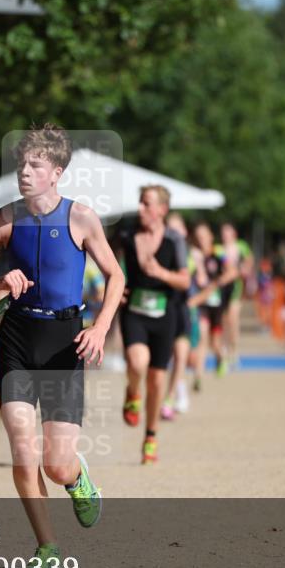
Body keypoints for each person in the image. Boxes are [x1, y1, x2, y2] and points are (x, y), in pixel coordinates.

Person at [0, 123, 123, 568]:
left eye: (35, 165)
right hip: (16, 338)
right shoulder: (3, 220)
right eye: (21, 164)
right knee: (22, 450)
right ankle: (47, 547)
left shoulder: (81, 218)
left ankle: (77, 477)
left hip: (64, 343)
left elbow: (116, 276)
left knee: (55, 465)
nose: (25, 172)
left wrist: (100, 327)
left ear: (57, 173)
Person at [119, 186, 190, 464]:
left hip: (164, 313)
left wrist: (161, 273)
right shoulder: (127, 235)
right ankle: (133, 391)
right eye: (140, 202)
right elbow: (111, 266)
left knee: (157, 379)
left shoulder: (174, 239)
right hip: (134, 311)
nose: (140, 208)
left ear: (162, 209)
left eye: (146, 203)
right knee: (138, 363)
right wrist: (114, 288)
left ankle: (150, 436)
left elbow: (185, 280)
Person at [193, 222, 238, 379]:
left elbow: (233, 272)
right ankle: (198, 375)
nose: (201, 240)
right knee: (202, 337)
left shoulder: (219, 253)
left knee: (214, 342)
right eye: (198, 237)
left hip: (217, 304)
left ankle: (220, 357)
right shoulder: (195, 255)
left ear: (211, 237)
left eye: (204, 236)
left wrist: (216, 284)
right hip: (202, 304)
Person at [160, 212, 193, 420]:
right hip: (163, 308)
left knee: (181, 355)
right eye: (169, 229)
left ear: (185, 231)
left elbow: (198, 281)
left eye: (176, 229)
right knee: (164, 358)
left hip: (182, 309)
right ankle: (177, 388)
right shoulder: (161, 251)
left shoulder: (192, 256)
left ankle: (170, 398)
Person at [217, 223, 253, 367]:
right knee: (224, 319)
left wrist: (245, 269)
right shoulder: (219, 249)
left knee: (233, 319)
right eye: (223, 233)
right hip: (223, 286)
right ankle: (225, 346)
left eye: (228, 232)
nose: (225, 235)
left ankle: (234, 349)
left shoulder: (241, 246)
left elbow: (249, 260)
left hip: (236, 286)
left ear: (234, 234)